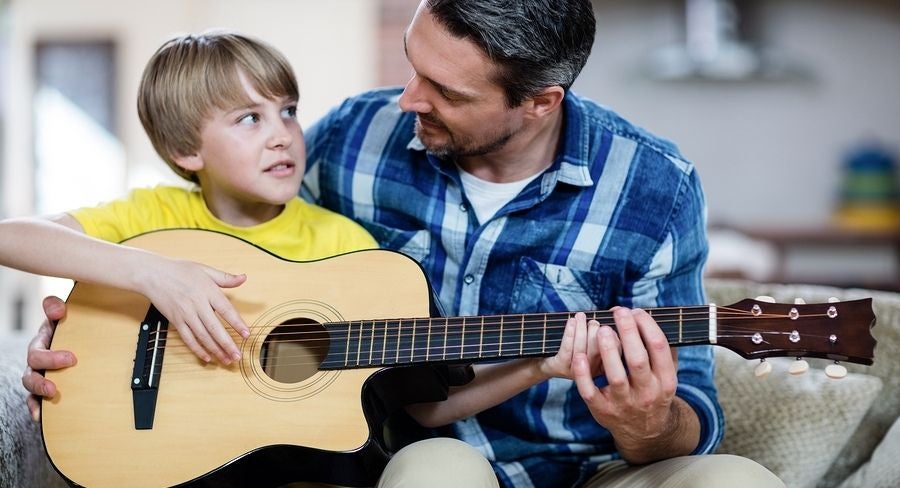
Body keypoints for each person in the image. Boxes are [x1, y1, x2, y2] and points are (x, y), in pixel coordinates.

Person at [23, 3, 786, 488]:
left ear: (538, 102)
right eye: (413, 67)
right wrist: (100, 317)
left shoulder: (656, 187)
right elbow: (238, 241)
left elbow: (691, 407)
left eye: (444, 92)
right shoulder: (353, 139)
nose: (405, 100)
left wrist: (645, 419)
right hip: (434, 450)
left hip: (598, 463)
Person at [9, 29, 374, 414]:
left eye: (289, 111)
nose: (282, 135)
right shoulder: (153, 216)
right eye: (250, 118)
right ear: (185, 150)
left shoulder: (348, 246)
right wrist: (150, 274)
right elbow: (10, 237)